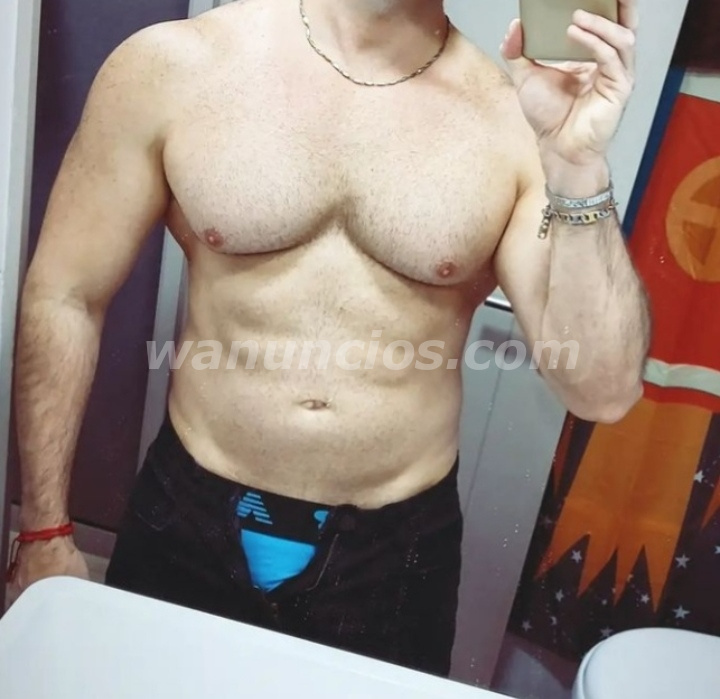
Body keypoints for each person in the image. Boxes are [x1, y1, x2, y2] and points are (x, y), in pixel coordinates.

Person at [9, 0, 649, 678]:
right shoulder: (176, 65)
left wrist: (578, 164)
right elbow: (66, 294)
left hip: (392, 554)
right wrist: (44, 528)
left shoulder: (514, 122)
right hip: (188, 515)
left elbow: (603, 390)